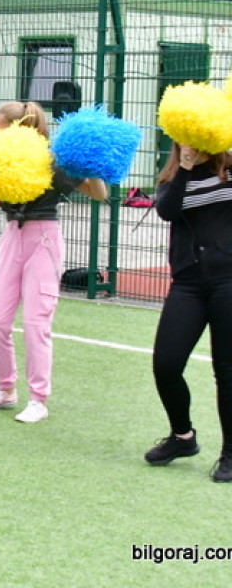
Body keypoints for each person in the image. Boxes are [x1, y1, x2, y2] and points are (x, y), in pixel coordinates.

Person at [0, 101, 107, 423]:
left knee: (36, 323)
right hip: (11, 239)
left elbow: (98, 193)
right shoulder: (2, 161)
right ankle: (5, 390)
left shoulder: (51, 159)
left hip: (44, 238)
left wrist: (91, 164)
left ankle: (38, 399)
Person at [144, 141, 232, 482]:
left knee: (226, 371)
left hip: (228, 280)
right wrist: (184, 166)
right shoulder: (171, 178)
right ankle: (183, 437)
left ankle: (230, 453)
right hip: (188, 284)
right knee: (166, 364)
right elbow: (167, 211)